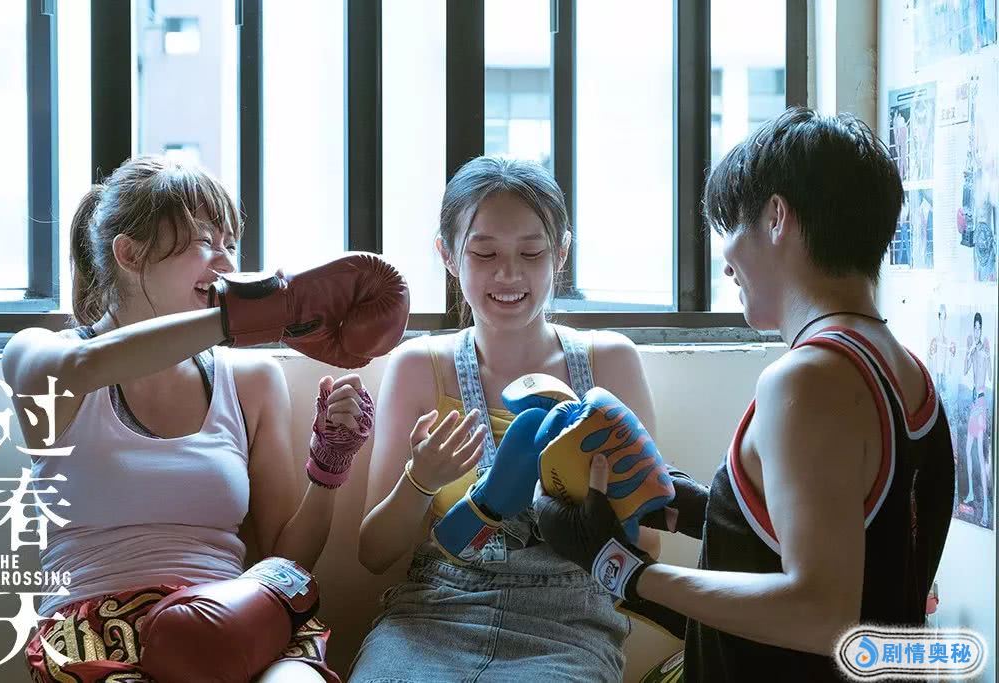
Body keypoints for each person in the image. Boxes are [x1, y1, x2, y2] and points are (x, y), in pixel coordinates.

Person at [534, 108, 957, 681]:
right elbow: (861, 553)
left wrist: (616, 567)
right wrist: (703, 510)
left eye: (731, 226)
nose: (727, 260)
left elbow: (820, 614)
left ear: (777, 217)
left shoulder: (807, 380)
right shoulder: (904, 371)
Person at [1, 155, 408, 682]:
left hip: (236, 618)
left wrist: (330, 462)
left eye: (230, 244)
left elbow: (286, 558)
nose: (226, 262)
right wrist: (258, 314)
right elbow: (83, 365)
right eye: (205, 241)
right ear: (129, 254)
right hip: (95, 632)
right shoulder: (40, 355)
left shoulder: (251, 379)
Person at [349, 156, 661, 682]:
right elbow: (374, 554)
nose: (509, 274)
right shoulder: (418, 367)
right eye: (484, 252)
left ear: (561, 253)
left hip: (571, 620)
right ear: (448, 255)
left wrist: (593, 514)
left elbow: (648, 545)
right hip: (434, 610)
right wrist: (421, 480)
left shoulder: (609, 362)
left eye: (532, 252)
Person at [961, 312, 992, 524]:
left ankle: (987, 513)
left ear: (982, 329)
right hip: (974, 405)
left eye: (979, 328)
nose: (977, 331)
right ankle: (971, 492)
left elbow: (989, 376)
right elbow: (964, 371)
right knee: (967, 450)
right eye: (975, 328)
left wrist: (986, 356)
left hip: (980, 404)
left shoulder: (984, 351)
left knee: (980, 456)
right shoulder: (973, 349)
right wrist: (969, 351)